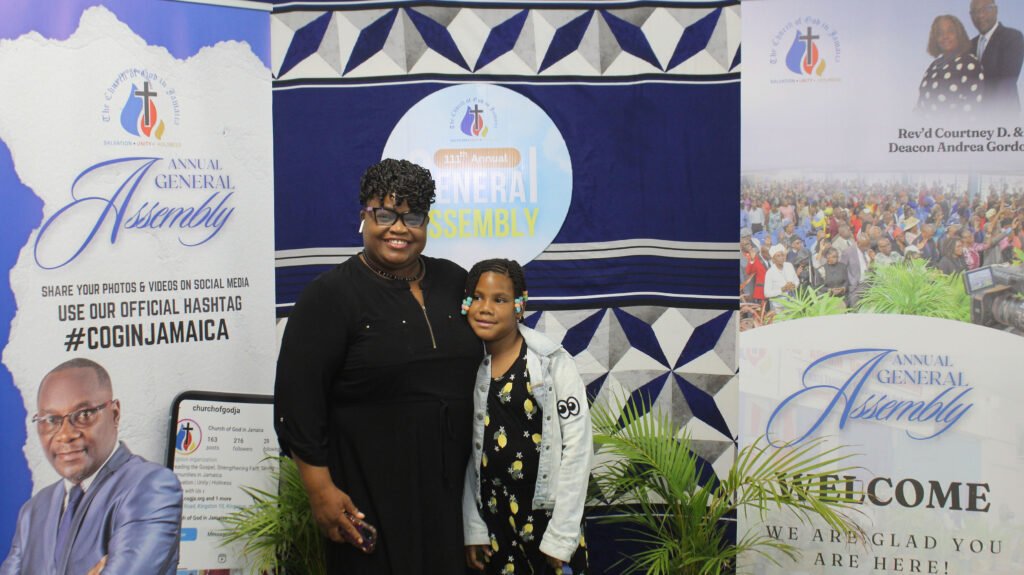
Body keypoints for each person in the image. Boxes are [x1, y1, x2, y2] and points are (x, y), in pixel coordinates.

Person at [274, 159, 484, 574]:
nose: (398, 228)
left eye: (413, 216)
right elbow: (298, 402)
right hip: (370, 494)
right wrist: (320, 492)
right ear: (363, 217)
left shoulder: (455, 282)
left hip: (455, 494)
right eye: (384, 214)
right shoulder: (329, 296)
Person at [460, 259, 591, 575]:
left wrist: (561, 537)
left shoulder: (552, 363)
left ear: (520, 305)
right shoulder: (466, 366)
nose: (485, 308)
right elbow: (467, 454)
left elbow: (577, 449)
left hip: (547, 520)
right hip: (494, 519)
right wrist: (474, 528)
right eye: (477, 297)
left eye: (499, 299)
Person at [2, 358, 182, 575]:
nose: (66, 434)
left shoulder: (151, 487)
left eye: (84, 415)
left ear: (115, 414)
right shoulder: (33, 511)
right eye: (50, 420)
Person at [917, 15, 985, 115]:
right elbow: (920, 106)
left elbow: (970, 112)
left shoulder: (970, 65)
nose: (945, 36)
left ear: (959, 34)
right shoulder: (934, 66)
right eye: (940, 33)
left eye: (950, 31)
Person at [970, 0, 1024, 114]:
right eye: (975, 12)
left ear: (996, 10)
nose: (980, 15)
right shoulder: (969, 46)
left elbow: (1007, 80)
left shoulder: (1012, 37)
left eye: (985, 9)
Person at [764, 245, 799, 311]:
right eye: (778, 256)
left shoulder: (789, 266)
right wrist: (782, 290)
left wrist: (794, 285)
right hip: (778, 305)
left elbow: (796, 280)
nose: (782, 257)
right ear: (773, 259)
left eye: (782, 255)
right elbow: (767, 293)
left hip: (792, 300)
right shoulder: (770, 272)